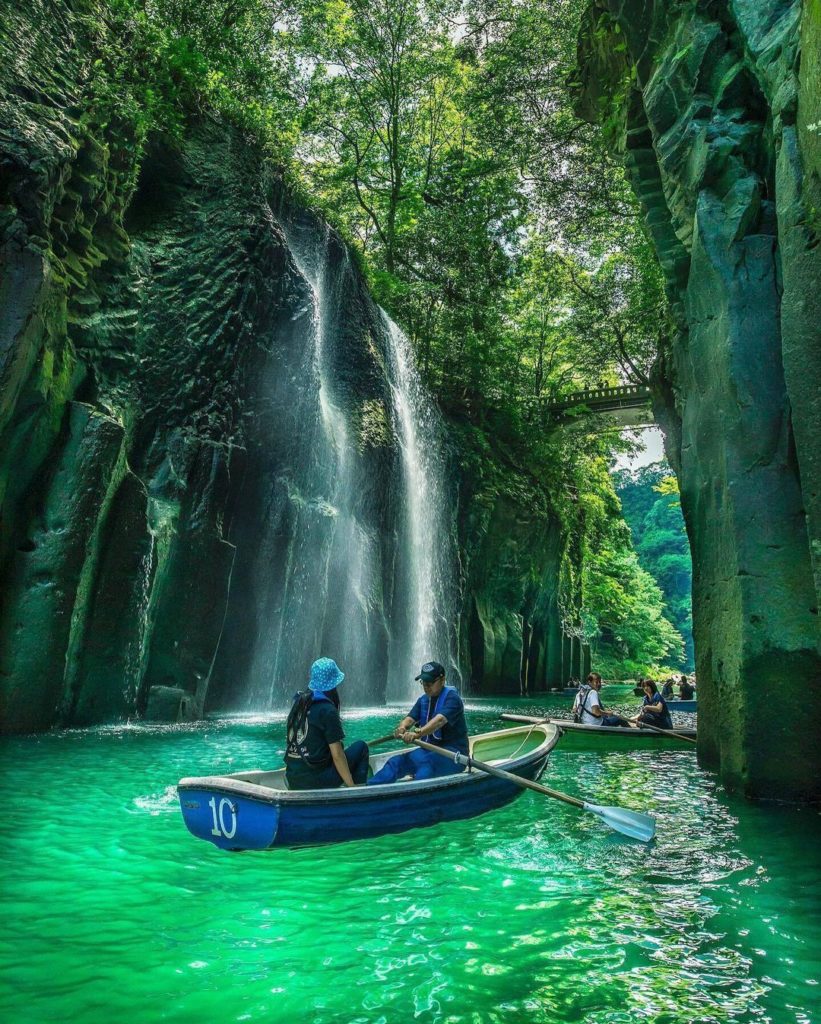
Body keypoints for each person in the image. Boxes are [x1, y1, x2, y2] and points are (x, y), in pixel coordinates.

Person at [367, 661, 468, 785]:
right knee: (396, 762)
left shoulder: (452, 699)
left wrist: (417, 734)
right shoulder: (424, 700)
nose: (426, 686)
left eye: (430, 683)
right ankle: (370, 788)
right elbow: (409, 719)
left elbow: (439, 721)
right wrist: (402, 728)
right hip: (428, 751)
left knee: (425, 767)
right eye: (424, 683)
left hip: (454, 755)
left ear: (442, 680)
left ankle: (413, 796)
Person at [284, 657, 370, 790]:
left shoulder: (299, 702)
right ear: (333, 683)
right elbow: (337, 755)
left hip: (292, 777)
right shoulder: (327, 710)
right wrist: (350, 785)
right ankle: (358, 791)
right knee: (361, 747)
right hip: (315, 781)